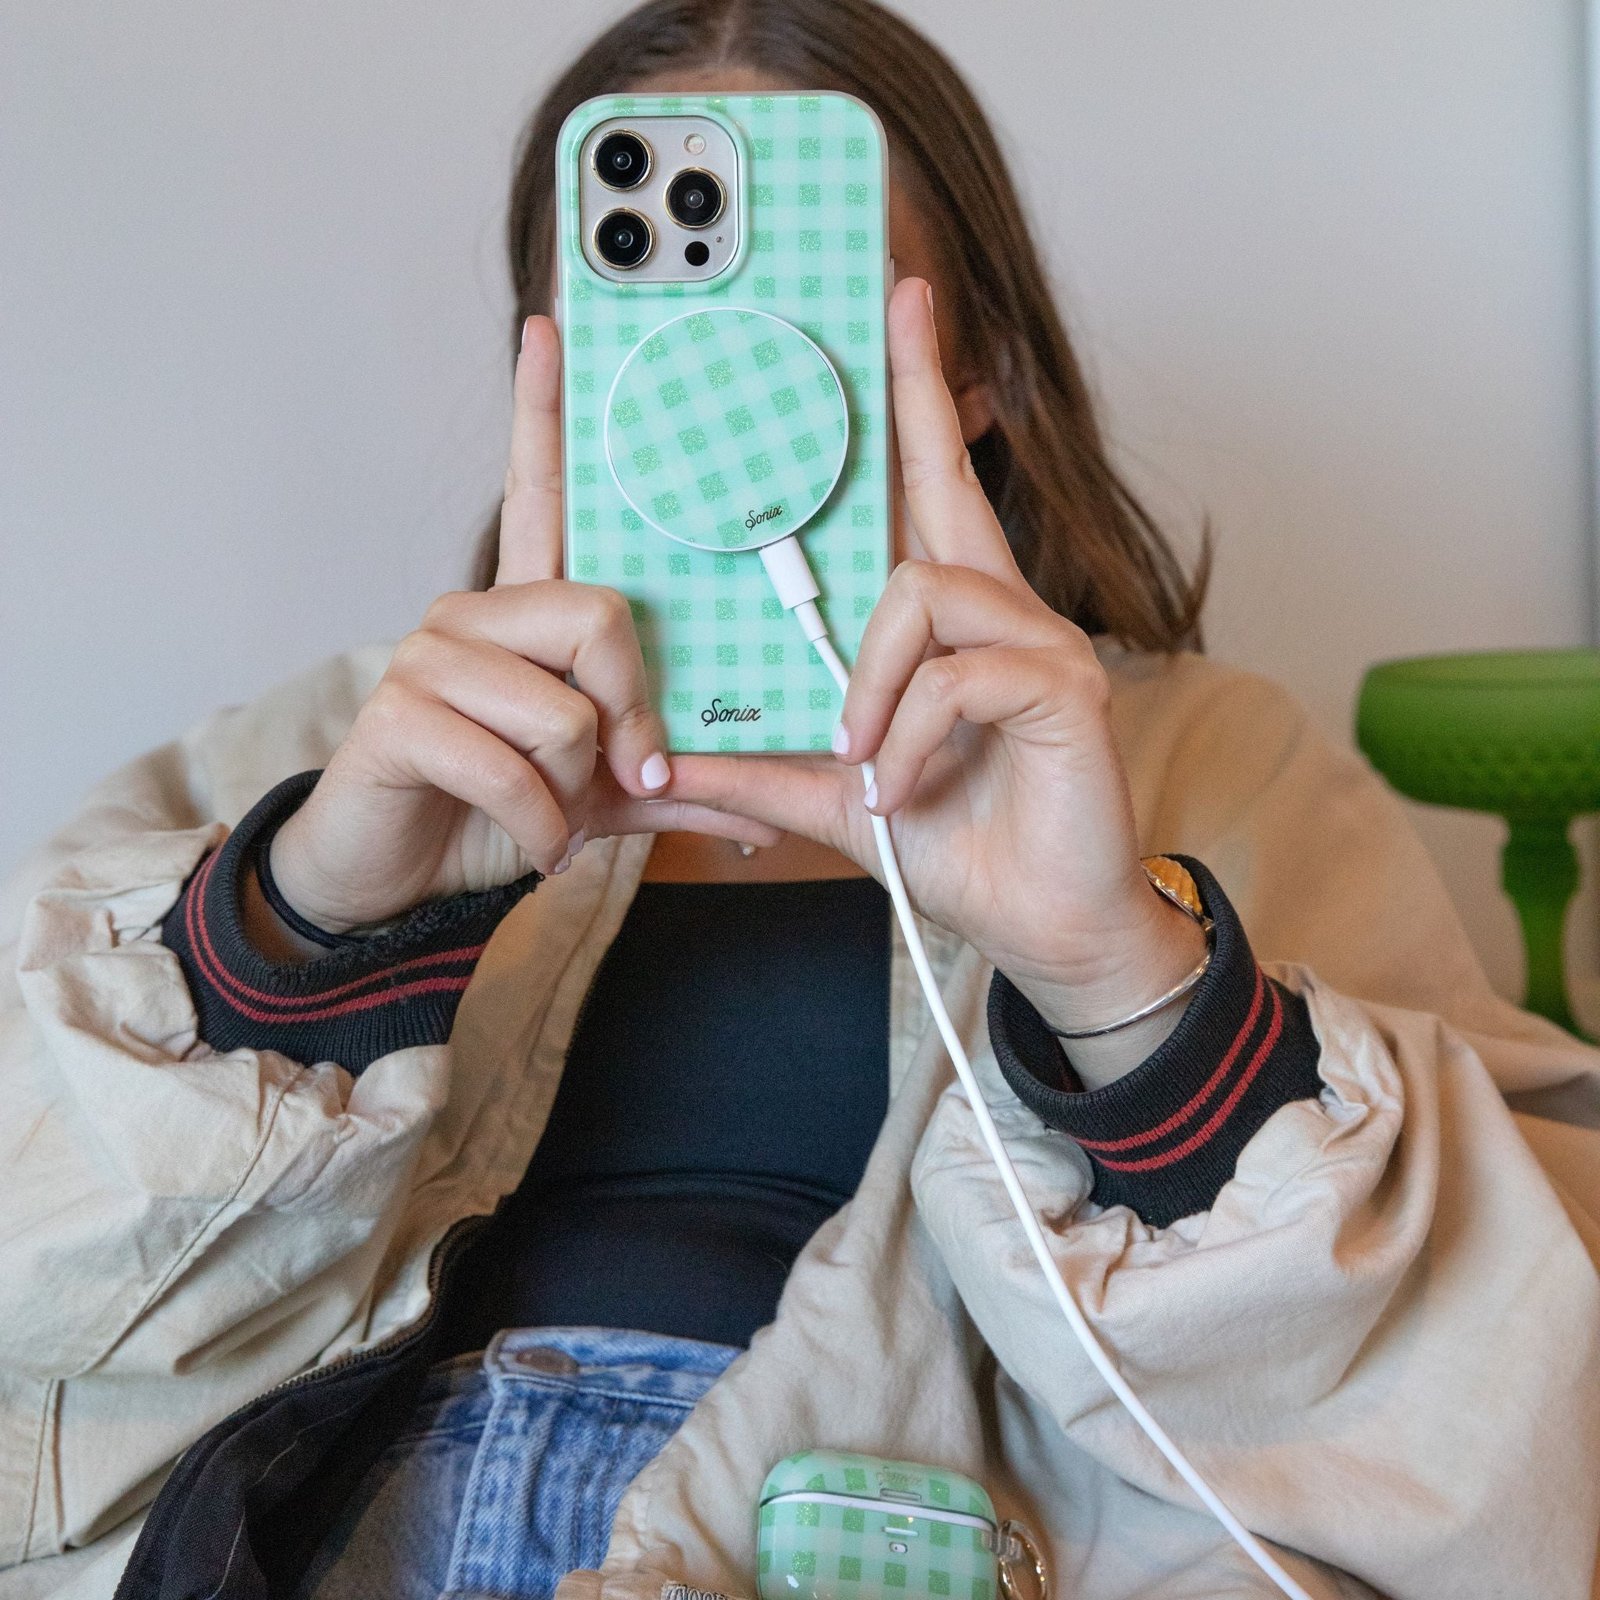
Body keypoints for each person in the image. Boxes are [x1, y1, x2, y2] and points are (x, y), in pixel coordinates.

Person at [4, 1, 1600, 1596]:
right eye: (648, 299)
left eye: (805, 294)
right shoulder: (334, 757)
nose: (730, 368)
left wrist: (1119, 979)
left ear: (975, 372)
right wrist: (299, 937)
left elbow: (1507, 1401)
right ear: (553, 360)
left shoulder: (1204, 760)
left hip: (875, 1541)